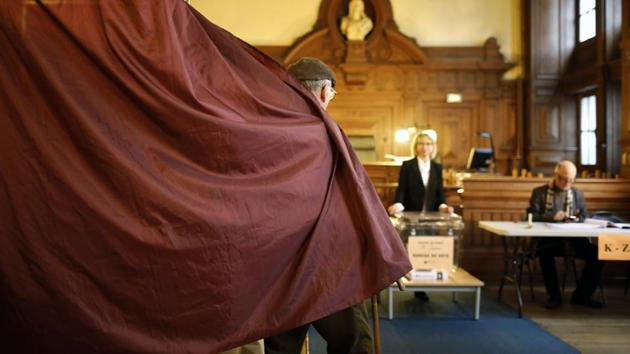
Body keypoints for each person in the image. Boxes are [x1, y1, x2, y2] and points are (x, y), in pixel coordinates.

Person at [264, 57, 373, 354]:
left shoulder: (266, 130)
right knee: (354, 344)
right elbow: (355, 196)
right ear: (325, 91)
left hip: (279, 262)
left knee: (281, 347)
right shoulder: (328, 132)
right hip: (329, 261)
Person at [527, 160, 605, 309]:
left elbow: (585, 216)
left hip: (574, 240)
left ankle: (582, 295)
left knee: (598, 254)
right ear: (556, 175)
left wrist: (575, 219)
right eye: (563, 179)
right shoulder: (540, 192)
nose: (566, 183)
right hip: (548, 240)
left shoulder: (577, 194)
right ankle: (554, 296)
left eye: (570, 180)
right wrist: (552, 217)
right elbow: (531, 216)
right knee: (544, 253)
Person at [387, 131, 454, 301]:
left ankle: (421, 288)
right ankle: (409, 281)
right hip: (411, 216)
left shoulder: (437, 167)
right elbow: (401, 189)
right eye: (421, 144)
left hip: (431, 217)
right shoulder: (408, 165)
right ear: (416, 147)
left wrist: (445, 207)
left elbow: (439, 195)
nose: (425, 147)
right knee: (411, 250)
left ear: (433, 147)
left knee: (426, 250)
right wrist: (398, 204)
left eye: (428, 144)